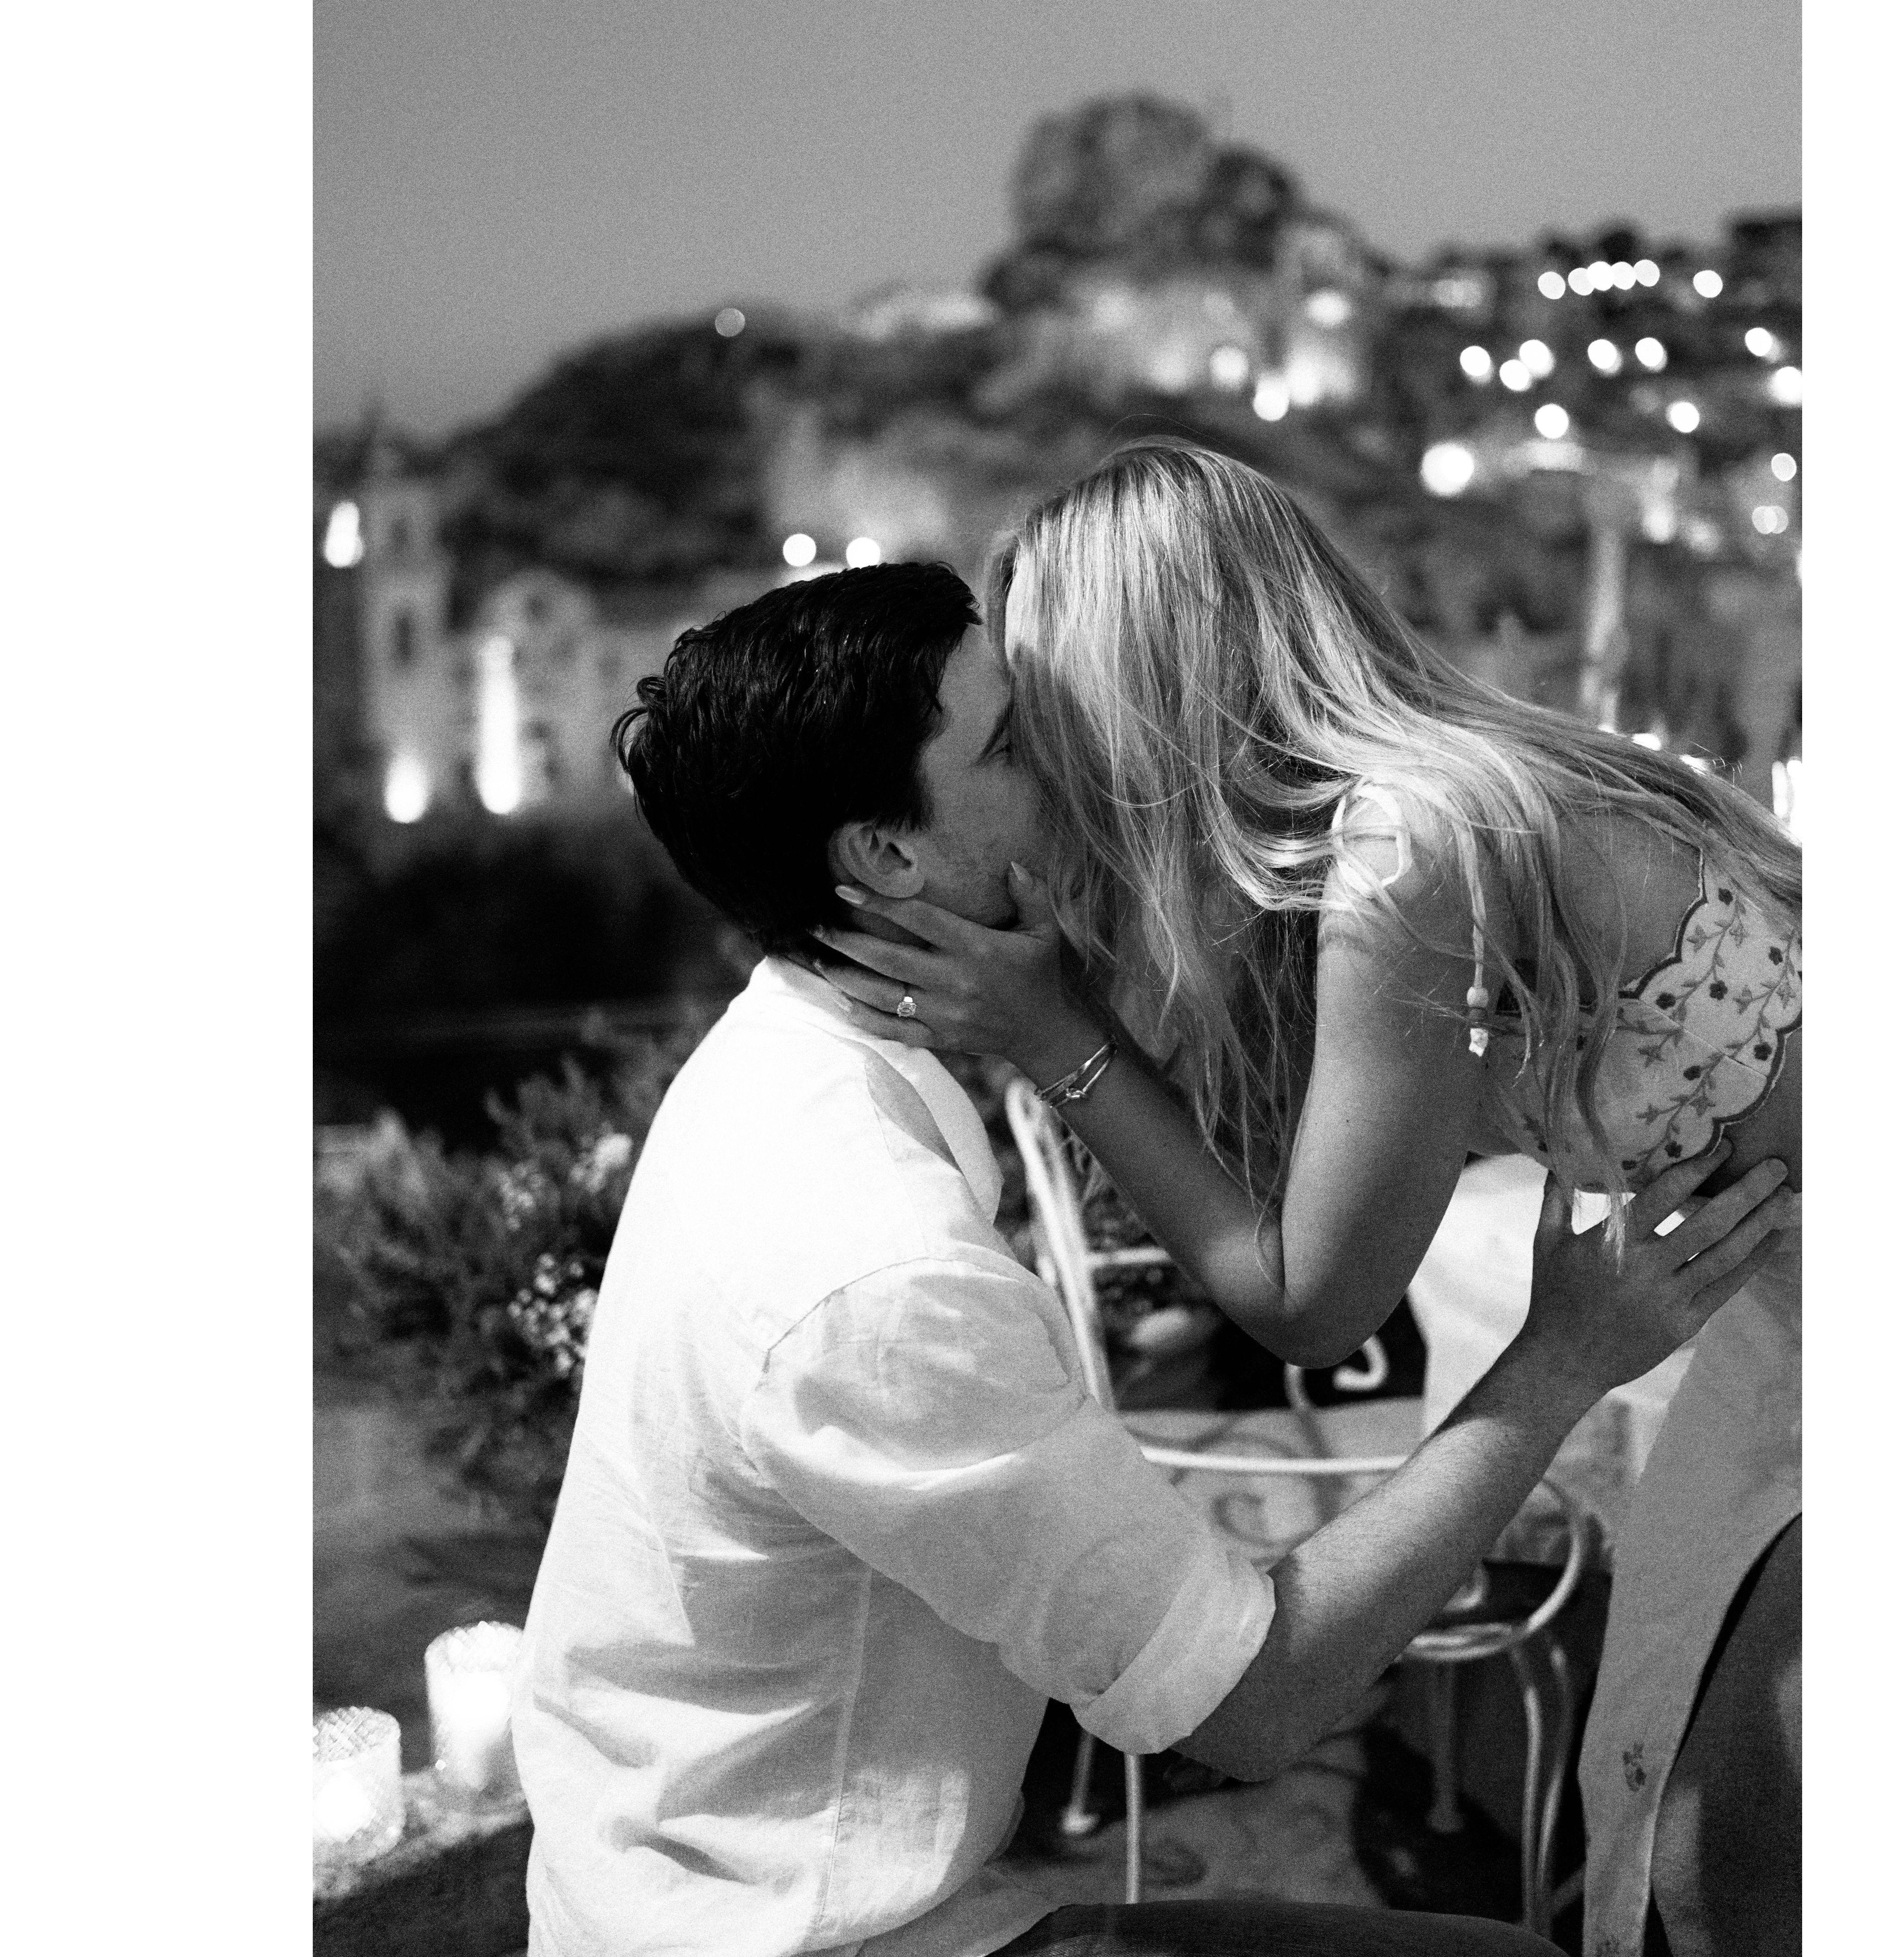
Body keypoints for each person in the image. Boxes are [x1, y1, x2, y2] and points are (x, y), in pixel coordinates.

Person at [510, 557, 1799, 1957]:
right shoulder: (872, 1275)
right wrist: (1559, 1364)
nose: (1074, 764)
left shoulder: (770, 1066)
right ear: (884, 859)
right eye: (1016, 743)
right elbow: (1255, 1705)